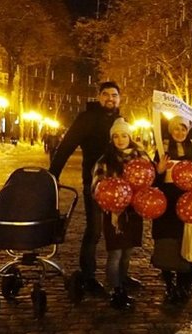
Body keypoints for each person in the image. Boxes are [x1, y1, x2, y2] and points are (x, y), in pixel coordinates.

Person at [49, 81, 125, 294]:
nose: (110, 98)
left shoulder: (121, 120)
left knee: (121, 230)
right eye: (106, 94)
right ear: (99, 97)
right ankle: (88, 275)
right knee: (94, 230)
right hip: (95, 183)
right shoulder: (87, 118)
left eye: (114, 95)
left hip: (120, 185)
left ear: (119, 98)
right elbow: (66, 147)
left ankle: (121, 274)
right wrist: (53, 174)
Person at [91, 118, 150, 309]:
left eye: (124, 135)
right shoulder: (105, 160)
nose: (120, 139)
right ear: (111, 139)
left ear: (130, 136)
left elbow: (149, 180)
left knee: (127, 252)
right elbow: (97, 187)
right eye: (116, 136)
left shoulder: (141, 156)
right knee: (115, 254)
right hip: (114, 213)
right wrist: (112, 202)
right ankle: (116, 291)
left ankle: (123, 279)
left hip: (134, 212)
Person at [151, 116, 192, 303]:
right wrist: (159, 170)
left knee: (187, 241)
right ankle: (169, 282)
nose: (180, 133)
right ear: (171, 130)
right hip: (167, 204)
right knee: (167, 242)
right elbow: (152, 181)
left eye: (183, 129)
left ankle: (185, 283)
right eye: (176, 129)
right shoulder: (162, 149)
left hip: (188, 203)